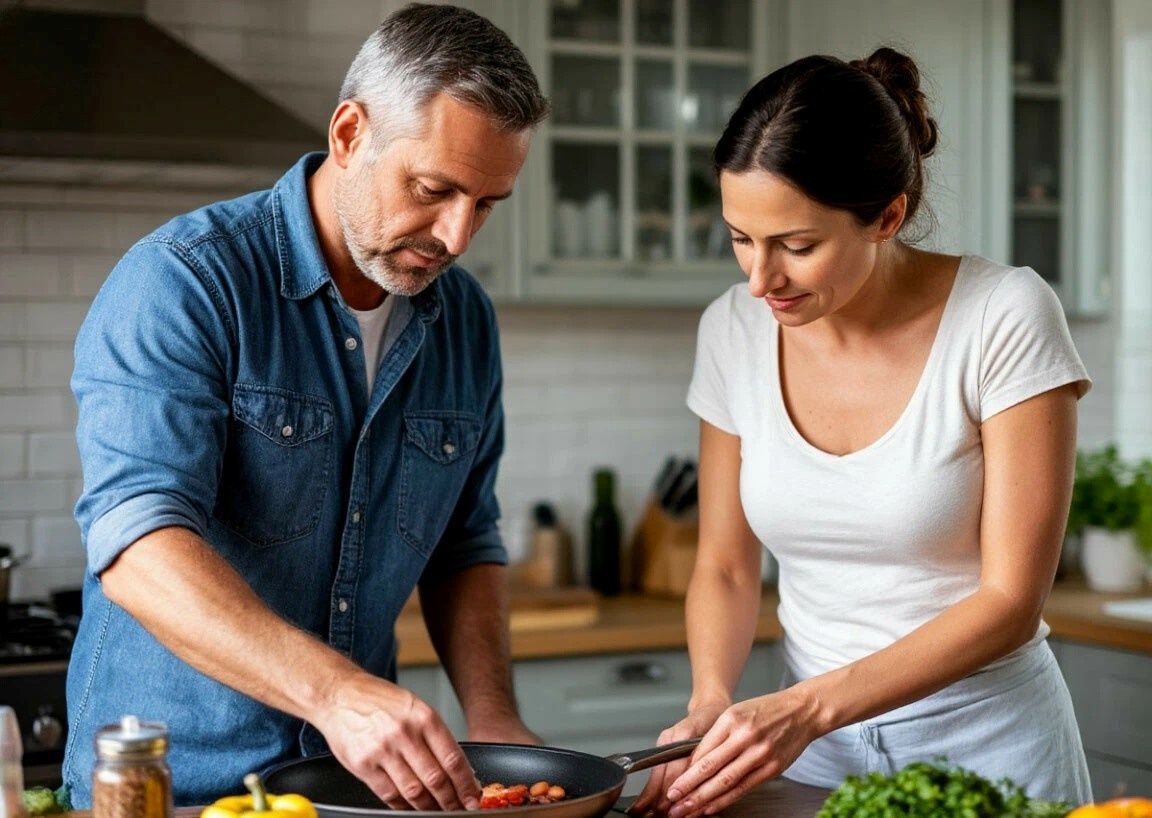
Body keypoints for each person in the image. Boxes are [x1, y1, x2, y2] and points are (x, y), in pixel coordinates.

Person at [63, 3, 549, 809]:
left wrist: (495, 723)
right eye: (434, 189)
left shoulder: (463, 320)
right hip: (170, 790)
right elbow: (137, 540)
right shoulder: (185, 283)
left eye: (488, 203)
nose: (458, 235)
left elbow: (465, 541)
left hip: (356, 792)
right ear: (351, 132)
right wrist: (333, 693)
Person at [630, 47, 1093, 818]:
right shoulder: (733, 330)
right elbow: (724, 565)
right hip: (812, 761)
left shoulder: (1002, 314)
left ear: (888, 215)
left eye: (797, 246)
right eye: (741, 237)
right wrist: (712, 698)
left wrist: (807, 707)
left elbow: (1011, 600)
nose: (759, 279)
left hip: (992, 752)